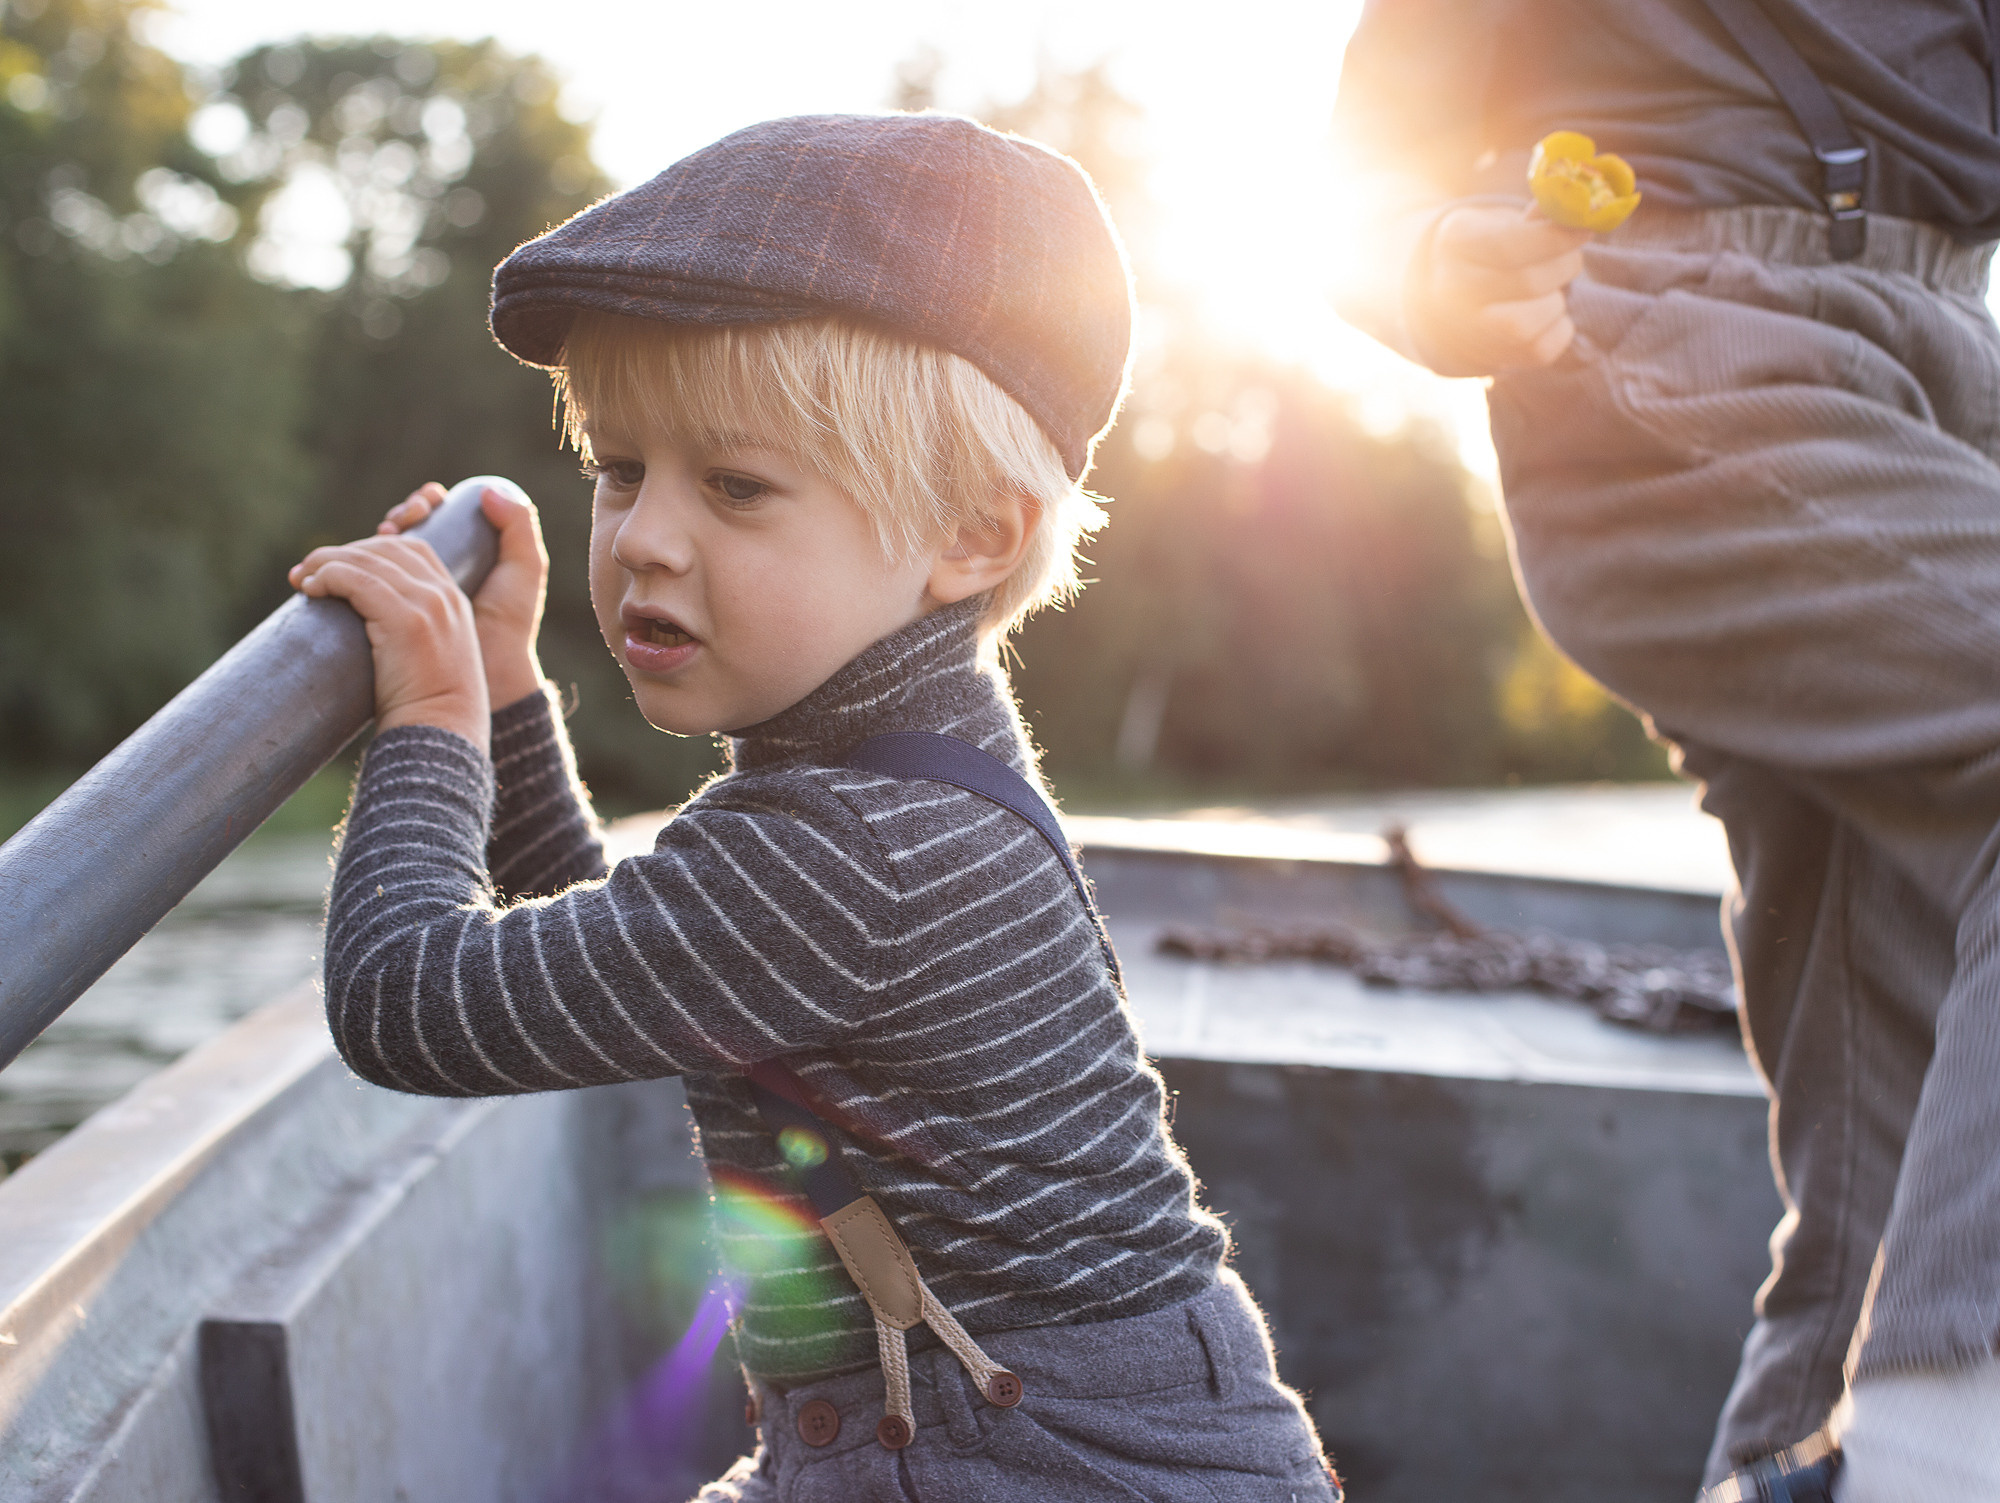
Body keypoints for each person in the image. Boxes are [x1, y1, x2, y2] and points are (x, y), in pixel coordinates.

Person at [289, 113, 1337, 1503]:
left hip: (1052, 1468)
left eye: (735, 485)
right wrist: (507, 694)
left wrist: (422, 721)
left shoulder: (849, 849)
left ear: (970, 535)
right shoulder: (887, 770)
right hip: (966, 1446)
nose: (649, 535)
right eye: (620, 468)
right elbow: (646, 963)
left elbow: (406, 1001)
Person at [1332, 4, 2000, 1498]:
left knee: (1886, 1154)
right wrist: (1437, 260)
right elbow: (1366, 176)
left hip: (1950, 369)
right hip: (1668, 321)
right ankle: (1942, 1457)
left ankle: (1839, 1450)